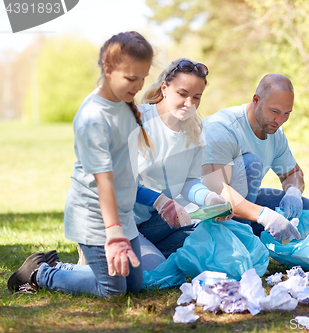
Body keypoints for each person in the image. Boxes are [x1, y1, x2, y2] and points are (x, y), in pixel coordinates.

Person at [8, 31, 155, 296]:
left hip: (121, 213)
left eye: (143, 78)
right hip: (95, 216)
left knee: (134, 285)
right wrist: (113, 233)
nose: (139, 86)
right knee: (113, 291)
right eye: (132, 79)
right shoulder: (92, 117)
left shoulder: (124, 103)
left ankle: (57, 265)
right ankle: (41, 273)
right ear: (108, 69)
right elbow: (104, 181)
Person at [132, 58, 231, 268]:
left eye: (197, 97)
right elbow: (118, 182)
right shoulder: (136, 120)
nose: (190, 104)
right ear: (165, 88)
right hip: (123, 222)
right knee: (155, 272)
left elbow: (188, 181)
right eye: (182, 94)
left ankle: (150, 252)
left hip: (155, 223)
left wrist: (210, 199)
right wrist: (159, 201)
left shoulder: (193, 131)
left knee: (212, 241)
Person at [202, 73, 309, 242]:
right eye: (274, 111)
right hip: (208, 211)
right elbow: (218, 191)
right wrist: (266, 216)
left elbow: (293, 173)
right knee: (251, 163)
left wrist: (293, 193)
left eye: (287, 113)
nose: (280, 120)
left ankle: (253, 238)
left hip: (241, 207)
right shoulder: (222, 127)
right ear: (256, 100)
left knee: (308, 209)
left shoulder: (275, 133)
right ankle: (237, 241)